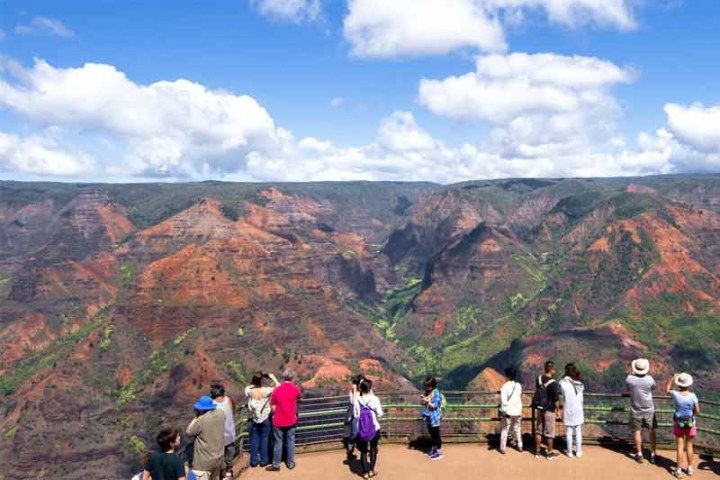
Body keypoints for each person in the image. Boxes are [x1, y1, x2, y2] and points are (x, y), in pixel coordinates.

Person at [666, 372, 700, 478]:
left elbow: (667, 390)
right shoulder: (693, 396)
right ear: (688, 384)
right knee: (689, 446)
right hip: (690, 423)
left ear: (679, 384)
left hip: (678, 423)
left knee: (680, 447)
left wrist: (673, 378)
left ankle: (679, 470)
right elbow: (697, 411)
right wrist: (692, 413)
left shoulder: (676, 394)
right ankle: (689, 468)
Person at [266, 369, 301, 472]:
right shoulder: (296, 389)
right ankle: (290, 463)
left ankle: (276, 465)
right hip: (291, 419)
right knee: (291, 441)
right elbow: (298, 398)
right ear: (292, 378)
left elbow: (272, 404)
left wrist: (275, 412)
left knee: (278, 442)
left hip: (278, 420)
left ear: (283, 377)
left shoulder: (277, 390)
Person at [186, 395, 226, 480]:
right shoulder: (221, 414)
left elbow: (189, 432)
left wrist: (196, 417)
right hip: (218, 459)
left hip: (203, 463)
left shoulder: (201, 420)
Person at [625, 358, 657, 464]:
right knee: (651, 430)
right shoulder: (649, 379)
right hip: (649, 408)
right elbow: (653, 388)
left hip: (636, 408)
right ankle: (653, 454)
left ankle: (639, 454)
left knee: (637, 431)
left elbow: (627, 389)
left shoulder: (630, 379)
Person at [246, 372, 280, 468]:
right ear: (261, 381)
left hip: (255, 418)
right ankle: (263, 461)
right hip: (265, 418)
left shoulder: (249, 391)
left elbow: (249, 387)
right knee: (264, 439)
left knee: (254, 439)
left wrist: (255, 380)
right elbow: (278, 387)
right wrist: (273, 377)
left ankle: (254, 461)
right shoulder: (266, 390)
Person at [354, 379, 384, 479]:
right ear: (370, 388)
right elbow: (380, 414)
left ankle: (365, 473)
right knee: (373, 449)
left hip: (361, 428)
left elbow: (355, 415)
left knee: (363, 451)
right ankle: (371, 470)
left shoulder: (357, 400)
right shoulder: (375, 399)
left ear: (361, 389)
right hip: (374, 428)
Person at [533, 360, 560, 460]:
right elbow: (556, 400)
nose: (555, 371)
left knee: (538, 431)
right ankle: (549, 453)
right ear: (551, 369)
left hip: (539, 409)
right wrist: (558, 410)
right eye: (554, 369)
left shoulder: (539, 379)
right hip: (549, 410)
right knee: (550, 432)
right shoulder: (553, 383)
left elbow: (539, 392)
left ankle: (537, 452)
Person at [210, 383, 236, 479]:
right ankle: (228, 474)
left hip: (217, 438)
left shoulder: (211, 404)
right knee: (229, 458)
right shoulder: (229, 400)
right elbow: (233, 410)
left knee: (219, 459)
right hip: (230, 434)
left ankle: (222, 475)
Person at [559, 363, 585, 458]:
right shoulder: (580, 383)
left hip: (568, 409)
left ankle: (569, 452)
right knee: (578, 432)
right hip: (578, 409)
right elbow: (581, 398)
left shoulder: (562, 383)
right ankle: (578, 452)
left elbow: (562, 396)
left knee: (569, 432)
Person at [499, 367, 523, 454]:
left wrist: (504, 410)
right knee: (517, 428)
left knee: (505, 429)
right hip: (518, 411)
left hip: (508, 411)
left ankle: (503, 448)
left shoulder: (504, 386)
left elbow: (503, 400)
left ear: (507, 376)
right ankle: (520, 446)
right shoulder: (518, 385)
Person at [421, 376, 443, 460]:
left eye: (428, 385)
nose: (426, 387)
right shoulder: (427, 392)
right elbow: (423, 404)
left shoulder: (436, 393)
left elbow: (435, 406)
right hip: (428, 416)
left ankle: (438, 451)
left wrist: (427, 401)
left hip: (434, 417)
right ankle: (434, 450)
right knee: (432, 434)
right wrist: (423, 400)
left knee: (436, 434)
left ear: (432, 385)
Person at [345, 374, 365, 461]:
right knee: (354, 434)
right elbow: (353, 402)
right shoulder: (353, 392)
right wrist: (355, 391)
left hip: (363, 415)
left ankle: (364, 450)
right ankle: (350, 451)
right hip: (354, 416)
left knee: (363, 433)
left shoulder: (363, 390)